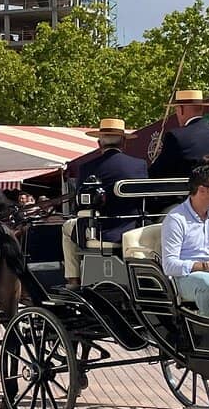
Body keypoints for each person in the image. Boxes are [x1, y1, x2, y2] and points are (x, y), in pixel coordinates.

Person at [62, 118, 148, 289]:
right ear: (124, 143)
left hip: (100, 232)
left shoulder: (87, 167)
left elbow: (80, 204)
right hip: (132, 228)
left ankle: (73, 280)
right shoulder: (139, 165)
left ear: (99, 143)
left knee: (66, 227)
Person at [161, 159, 209, 317]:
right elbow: (169, 265)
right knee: (208, 284)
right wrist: (207, 266)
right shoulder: (176, 219)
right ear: (202, 190)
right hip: (185, 277)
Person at [148, 90, 209, 178]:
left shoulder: (176, 136)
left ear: (181, 109)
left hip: (185, 190)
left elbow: (157, 172)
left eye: (176, 110)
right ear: (201, 108)